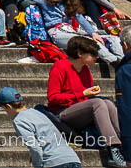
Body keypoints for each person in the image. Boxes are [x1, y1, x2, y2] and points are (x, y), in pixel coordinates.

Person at [47, 36, 126, 165]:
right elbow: (53, 98)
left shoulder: (85, 69)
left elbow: (84, 98)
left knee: (107, 103)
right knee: (98, 102)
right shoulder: (60, 67)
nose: (97, 57)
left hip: (80, 110)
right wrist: (82, 94)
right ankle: (113, 148)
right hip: (62, 112)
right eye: (93, 54)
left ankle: (125, 141)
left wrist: (89, 94)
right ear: (80, 54)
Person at [0, 85, 83, 168]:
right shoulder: (37, 113)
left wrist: (38, 165)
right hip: (72, 159)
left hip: (54, 162)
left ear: (9, 107)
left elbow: (35, 147)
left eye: (4, 109)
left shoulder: (19, 120)